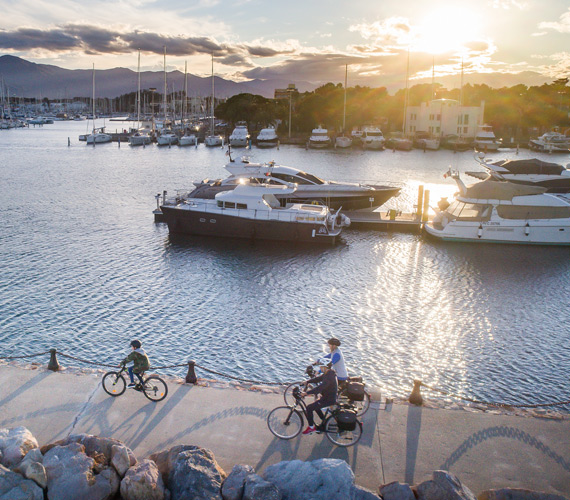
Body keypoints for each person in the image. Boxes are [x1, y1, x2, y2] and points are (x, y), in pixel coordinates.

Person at [300, 364, 338, 435]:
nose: (320, 368)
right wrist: (307, 381)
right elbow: (317, 379)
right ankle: (325, 422)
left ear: (325, 367)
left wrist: (306, 393)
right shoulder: (329, 373)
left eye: (321, 367)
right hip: (327, 397)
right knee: (316, 406)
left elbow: (319, 388)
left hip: (329, 399)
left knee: (309, 408)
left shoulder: (329, 377)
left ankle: (311, 428)